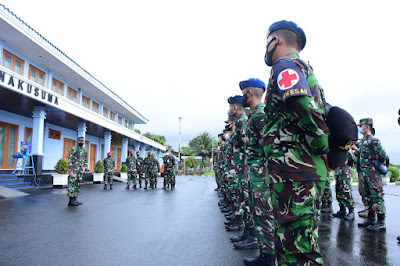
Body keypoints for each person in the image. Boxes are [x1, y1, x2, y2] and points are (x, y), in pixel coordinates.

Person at [262, 20, 329, 265]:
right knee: (293, 246)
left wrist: (324, 149)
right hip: (299, 173)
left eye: (266, 41)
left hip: (296, 174)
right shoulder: (302, 68)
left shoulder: (285, 65)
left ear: (275, 40)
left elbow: (305, 108)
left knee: (298, 252)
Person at [238, 78, 276, 265]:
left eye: (243, 92)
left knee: (264, 216)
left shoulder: (260, 115)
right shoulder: (254, 115)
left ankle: (268, 258)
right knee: (258, 215)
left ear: (249, 94)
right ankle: (265, 254)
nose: (242, 97)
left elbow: (270, 145)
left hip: (261, 175)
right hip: (255, 174)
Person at [354, 118, 388, 231]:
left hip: (373, 174)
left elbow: (383, 155)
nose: (360, 127)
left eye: (361, 125)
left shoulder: (374, 140)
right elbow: (362, 154)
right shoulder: (363, 141)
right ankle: (371, 218)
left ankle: (381, 221)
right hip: (365, 173)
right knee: (367, 195)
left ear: (367, 126)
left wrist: (375, 163)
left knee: (376, 195)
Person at [225, 95, 248, 232]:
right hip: (240, 168)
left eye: (230, 106)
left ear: (234, 107)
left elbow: (247, 146)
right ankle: (240, 222)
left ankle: (246, 228)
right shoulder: (241, 122)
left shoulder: (243, 122)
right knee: (241, 198)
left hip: (245, 168)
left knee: (246, 200)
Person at [332, 151, 356, 220]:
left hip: (345, 171)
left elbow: (352, 158)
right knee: (339, 191)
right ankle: (342, 210)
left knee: (346, 190)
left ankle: (351, 211)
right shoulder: (335, 148)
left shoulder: (346, 147)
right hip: (338, 171)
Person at [67, 136, 88, 206]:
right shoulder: (74, 149)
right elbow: (69, 160)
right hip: (74, 169)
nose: (81, 142)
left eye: (82, 141)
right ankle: (71, 201)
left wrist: (84, 167)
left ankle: (75, 199)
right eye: (80, 141)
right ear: (77, 141)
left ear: (84, 142)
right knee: (72, 184)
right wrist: (70, 171)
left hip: (80, 171)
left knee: (78, 185)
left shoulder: (85, 150)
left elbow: (86, 160)